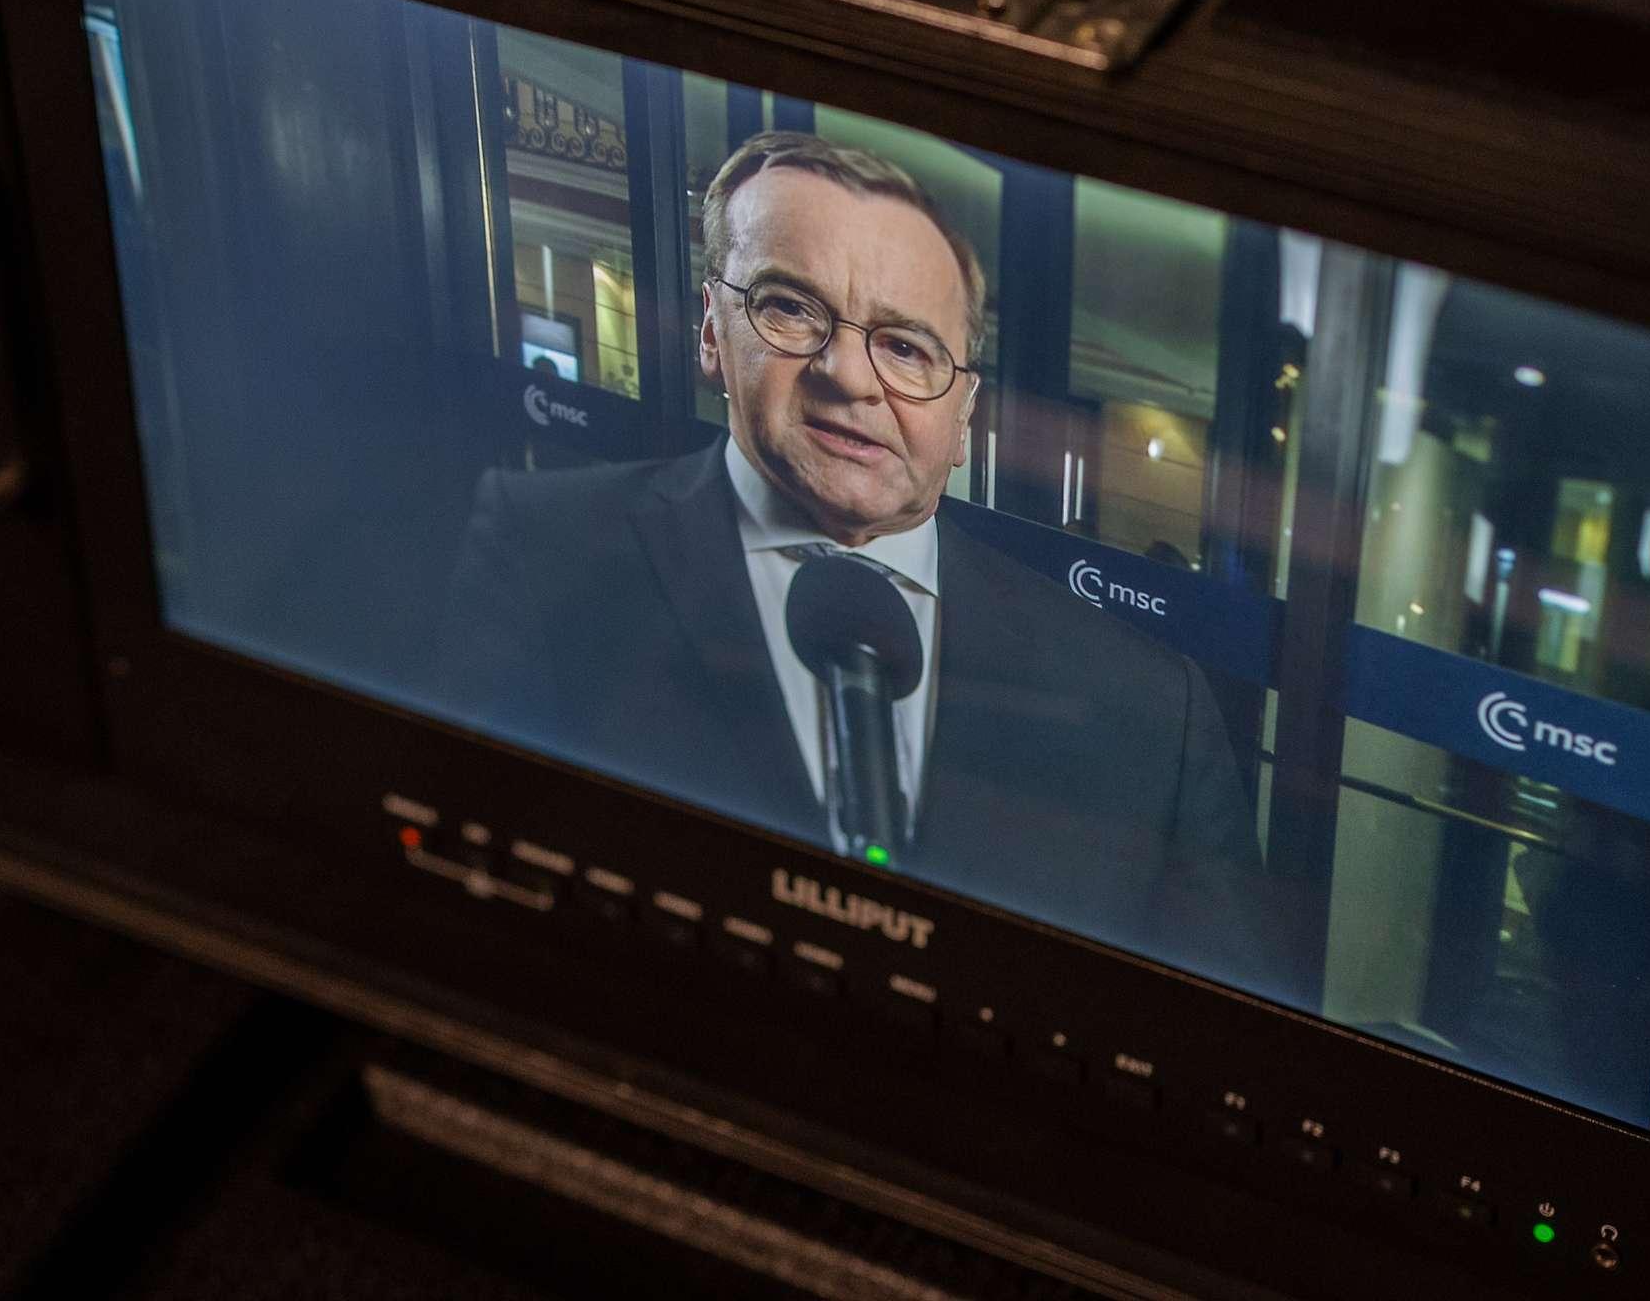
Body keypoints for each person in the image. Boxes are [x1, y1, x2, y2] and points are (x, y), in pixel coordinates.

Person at [435, 132, 1275, 986]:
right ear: (710, 333)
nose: (849, 375)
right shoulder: (542, 549)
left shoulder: (1150, 710)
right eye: (792, 308)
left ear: (964, 416)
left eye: (907, 347)